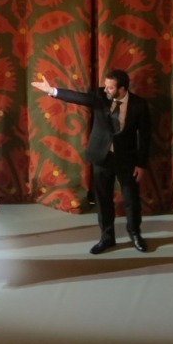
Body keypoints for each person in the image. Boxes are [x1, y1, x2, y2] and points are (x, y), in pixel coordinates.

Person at [31, 69, 151, 254]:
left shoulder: (139, 105)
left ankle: (135, 233)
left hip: (127, 159)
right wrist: (52, 90)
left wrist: (141, 164)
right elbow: (80, 98)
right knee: (103, 199)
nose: (106, 90)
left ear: (122, 88)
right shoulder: (100, 96)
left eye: (111, 87)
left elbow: (145, 137)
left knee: (131, 199)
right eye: (106, 86)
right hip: (101, 157)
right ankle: (107, 237)